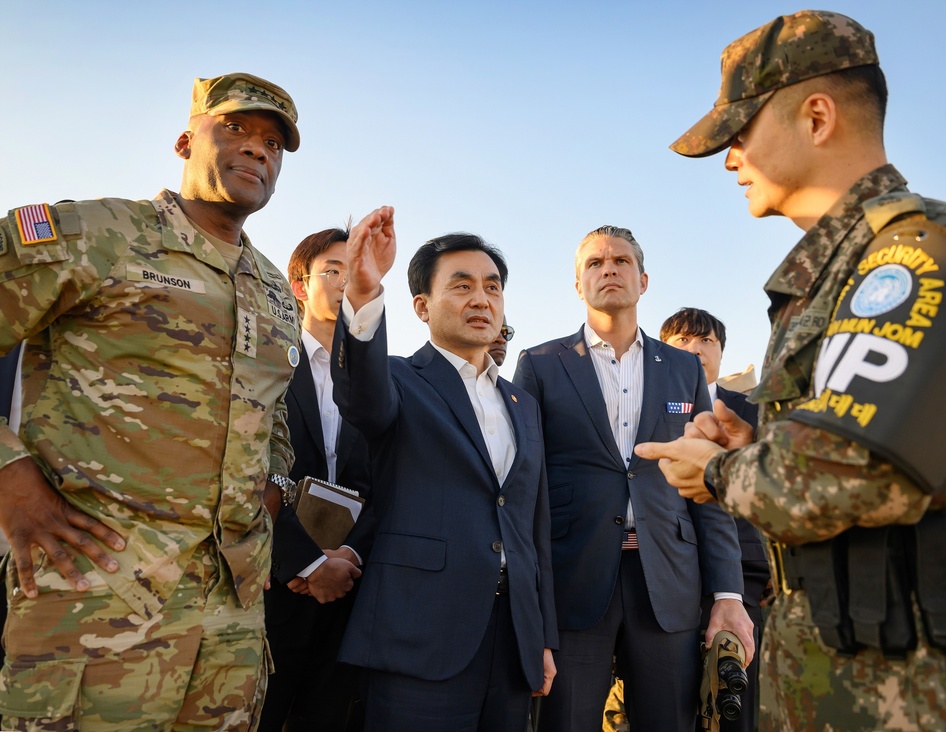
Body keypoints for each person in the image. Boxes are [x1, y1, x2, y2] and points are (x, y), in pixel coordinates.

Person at [635, 10, 946, 729]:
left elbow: (856, 468)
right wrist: (753, 453)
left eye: (740, 133)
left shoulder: (916, 259)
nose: (729, 158)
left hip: (925, 686)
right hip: (842, 670)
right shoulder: (836, 276)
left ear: (816, 118)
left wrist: (717, 475)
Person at [0, 72, 302, 729]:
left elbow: (273, 408)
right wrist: (9, 479)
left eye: (274, 144)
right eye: (236, 129)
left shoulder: (277, 290)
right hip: (94, 602)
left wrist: (274, 482)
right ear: (185, 139)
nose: (257, 150)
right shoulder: (100, 231)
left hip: (229, 623)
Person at [513, 225, 752, 732]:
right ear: (578, 284)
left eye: (620, 261)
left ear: (642, 280)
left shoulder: (685, 369)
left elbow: (709, 486)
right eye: (594, 264)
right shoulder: (538, 364)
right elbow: (525, 484)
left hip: (667, 581)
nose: (609, 270)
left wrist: (728, 594)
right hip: (575, 582)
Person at [331, 209, 557, 732]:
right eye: (462, 286)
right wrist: (364, 293)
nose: (481, 299)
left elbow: (531, 527)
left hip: (512, 643)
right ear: (422, 306)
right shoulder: (398, 380)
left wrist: (542, 635)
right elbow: (362, 398)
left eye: (493, 287)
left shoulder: (522, 402)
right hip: (419, 636)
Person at [260, 226, 375, 731]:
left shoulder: (382, 379)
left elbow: (387, 485)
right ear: (300, 285)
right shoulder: (264, 362)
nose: (346, 280)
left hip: (349, 591)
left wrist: (348, 556)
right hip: (269, 583)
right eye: (333, 269)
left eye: (355, 270)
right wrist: (304, 562)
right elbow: (250, 468)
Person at [660, 307, 770, 732]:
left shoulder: (749, 410)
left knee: (736, 699)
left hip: (744, 573)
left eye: (706, 341)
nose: (695, 349)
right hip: (666, 575)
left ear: (721, 352)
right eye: (683, 340)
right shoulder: (641, 405)